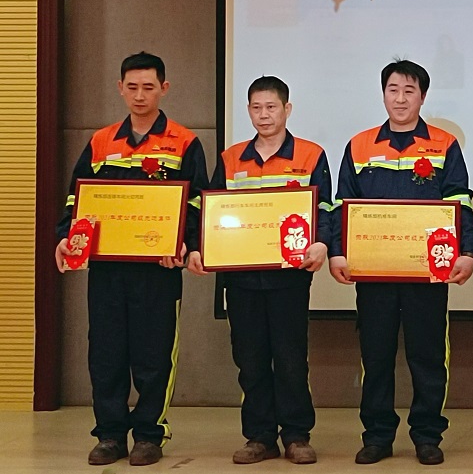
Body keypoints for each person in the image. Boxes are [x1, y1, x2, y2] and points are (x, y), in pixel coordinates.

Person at [54, 52, 208, 466]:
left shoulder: (184, 142)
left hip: (158, 271)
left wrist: (185, 243)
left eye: (149, 87)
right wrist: (66, 238)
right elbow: (77, 197)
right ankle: (109, 434)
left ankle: (149, 435)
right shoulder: (101, 141)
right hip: (107, 270)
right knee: (105, 354)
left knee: (154, 355)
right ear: (120, 88)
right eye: (132, 87)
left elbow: (197, 201)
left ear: (164, 88)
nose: (140, 95)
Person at [328, 59, 473, 466]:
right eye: (393, 90)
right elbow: (343, 205)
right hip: (373, 273)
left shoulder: (445, 145)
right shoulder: (359, 146)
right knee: (375, 356)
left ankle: (427, 435)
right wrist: (338, 250)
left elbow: (460, 202)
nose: (400, 99)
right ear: (383, 95)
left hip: (426, 274)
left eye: (409, 91)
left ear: (422, 97)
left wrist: (468, 251)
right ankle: (377, 436)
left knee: (427, 357)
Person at [188, 76, 332, 465]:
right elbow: (211, 210)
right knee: (249, 360)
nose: (264, 115)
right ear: (248, 110)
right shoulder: (231, 158)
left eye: (271, 107)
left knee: (290, 358)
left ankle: (297, 435)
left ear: (287, 109)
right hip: (241, 278)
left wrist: (322, 243)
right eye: (256, 107)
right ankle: (259, 437)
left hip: (289, 277)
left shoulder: (311, 155)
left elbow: (324, 208)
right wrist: (200, 247)